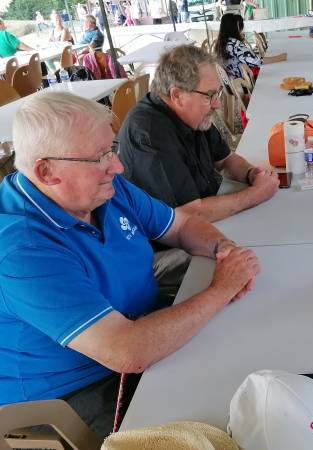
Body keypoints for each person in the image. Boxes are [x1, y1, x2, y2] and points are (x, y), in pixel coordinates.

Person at [0, 91, 260, 437]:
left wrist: (224, 250)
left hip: (141, 327)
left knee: (248, 356)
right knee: (227, 424)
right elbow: (127, 352)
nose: (117, 166)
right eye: (100, 157)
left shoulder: (104, 187)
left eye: (112, 149)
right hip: (75, 392)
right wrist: (221, 288)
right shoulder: (20, 248)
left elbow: (180, 226)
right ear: (47, 172)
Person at [118, 45, 279, 286]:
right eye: (209, 96)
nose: (216, 104)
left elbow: (226, 159)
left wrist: (251, 173)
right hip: (160, 251)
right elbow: (190, 213)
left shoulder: (193, 114)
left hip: (209, 223)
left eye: (217, 95)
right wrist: (255, 194)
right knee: (259, 265)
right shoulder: (149, 131)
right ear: (177, 95)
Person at [215, 13, 286, 79]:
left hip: (228, 82)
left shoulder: (221, 42)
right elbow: (256, 61)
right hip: (241, 83)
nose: (241, 30)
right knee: (277, 72)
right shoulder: (234, 44)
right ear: (234, 28)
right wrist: (280, 57)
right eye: (239, 27)